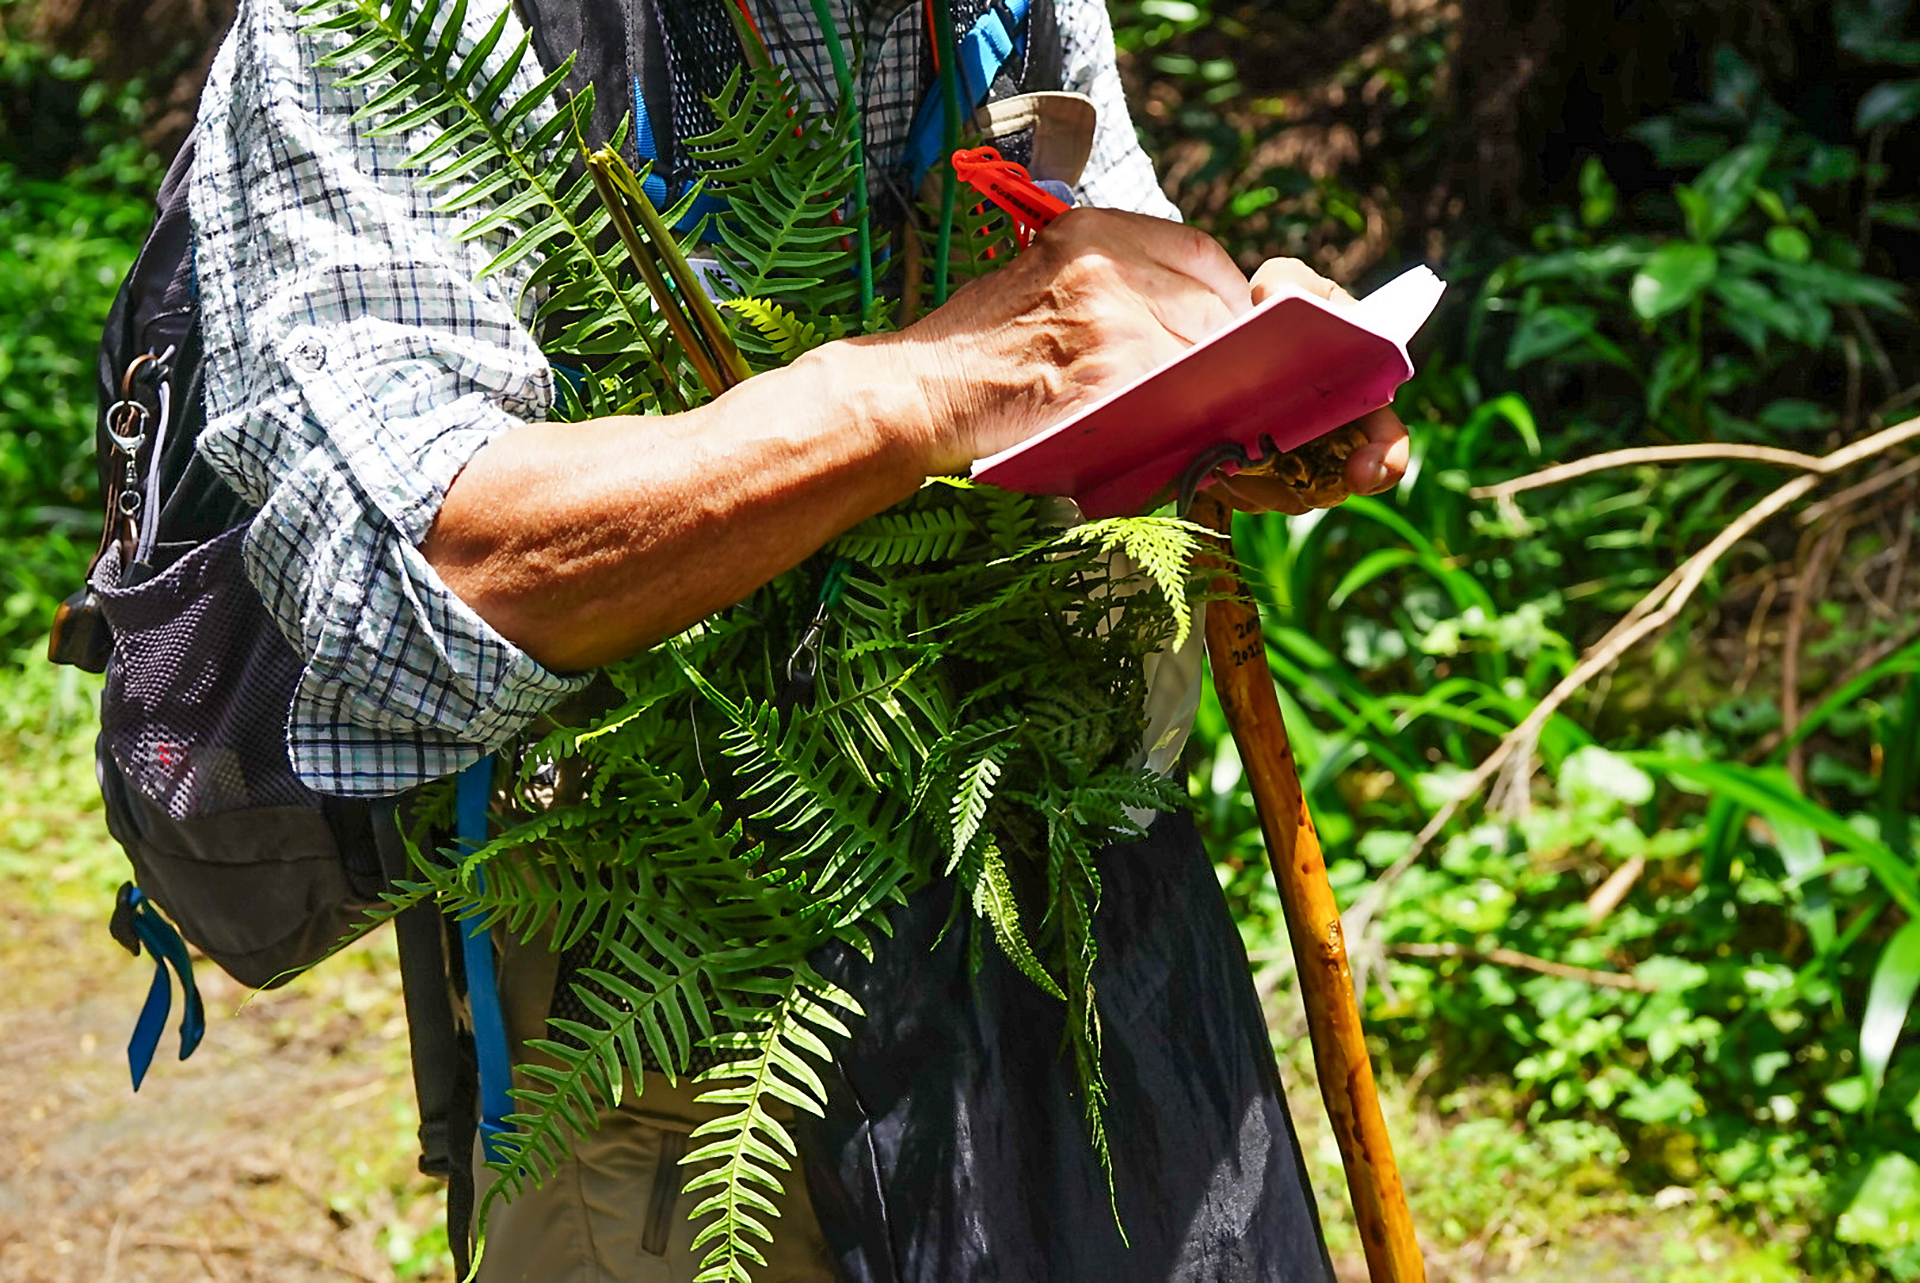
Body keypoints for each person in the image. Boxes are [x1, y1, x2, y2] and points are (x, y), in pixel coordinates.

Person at [188, 0, 1411, 1279]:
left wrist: (1228, 385)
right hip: (682, 1008)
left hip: (1073, 941)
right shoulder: (405, 19)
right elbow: (390, 588)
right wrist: (925, 385)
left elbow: (1081, 300)